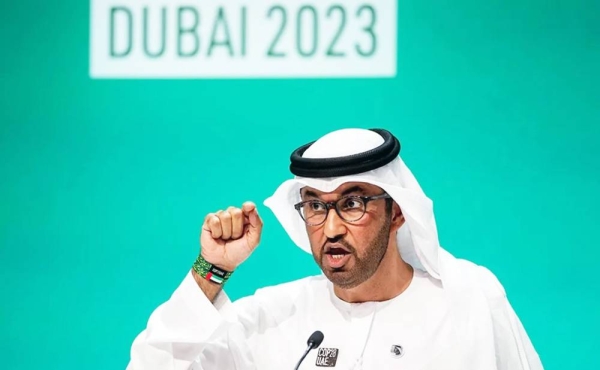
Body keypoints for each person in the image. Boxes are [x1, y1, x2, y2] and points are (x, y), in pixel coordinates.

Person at [126, 128, 543, 370]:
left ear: (397, 212)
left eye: (352, 203)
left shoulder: (469, 300)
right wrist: (211, 269)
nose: (331, 228)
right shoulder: (273, 317)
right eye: (314, 206)